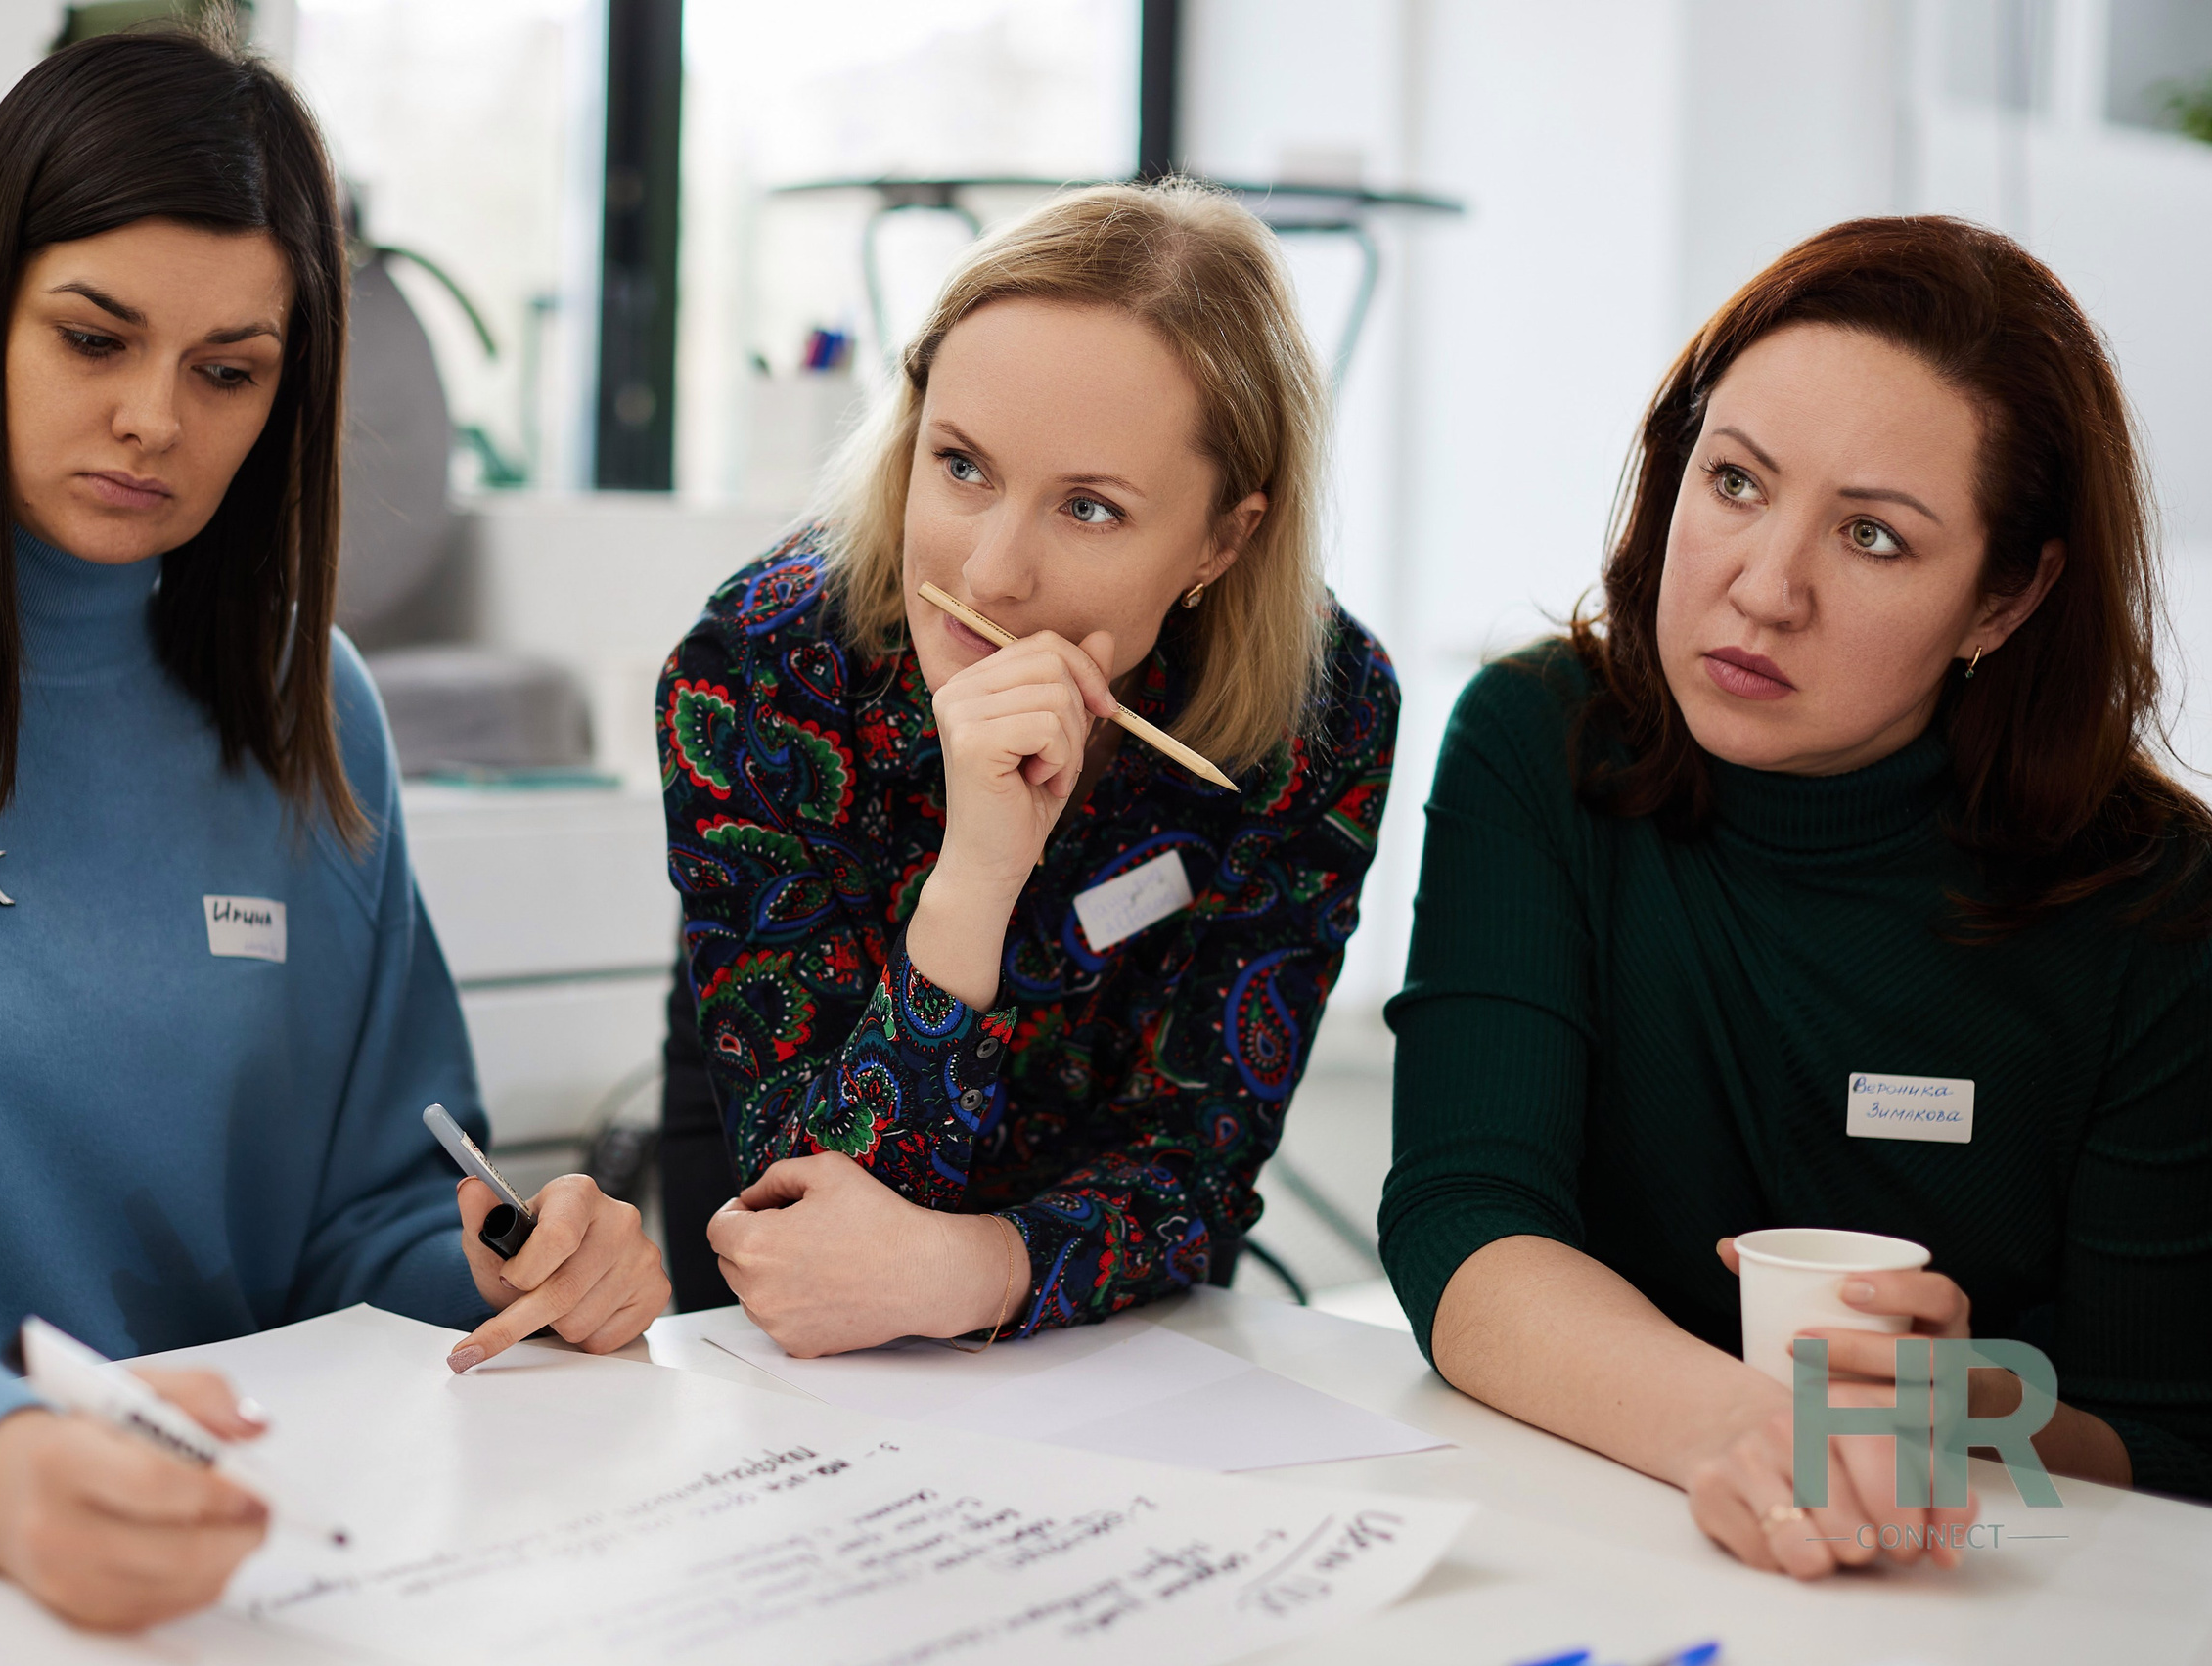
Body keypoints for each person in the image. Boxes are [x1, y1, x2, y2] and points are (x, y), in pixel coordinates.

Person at [0, 26, 665, 1632]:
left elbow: (363, 1218)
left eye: (227, 370)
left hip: (220, 1539)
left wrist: (523, 1270)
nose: (155, 417)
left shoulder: (313, 704)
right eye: (93, 338)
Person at [1377, 215, 2212, 1578]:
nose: (1764, 588)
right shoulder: (1544, 739)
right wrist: (1752, 1428)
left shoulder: (2155, 904)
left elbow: (2170, 1447)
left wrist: (1973, 1405)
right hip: (1593, 1538)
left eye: (1875, 535)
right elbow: (1468, 1227)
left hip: (1957, 1588)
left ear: (2005, 597)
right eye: (1738, 481)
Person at [658, 181, 1399, 1355]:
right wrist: (977, 875)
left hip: (1111, 1342)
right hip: (789, 1324)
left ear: (1224, 538)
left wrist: (982, 1270)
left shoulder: (1322, 710)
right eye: (960, 467)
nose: (993, 573)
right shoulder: (761, 666)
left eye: (1091, 509)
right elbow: (807, 1214)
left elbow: (1202, 1163)